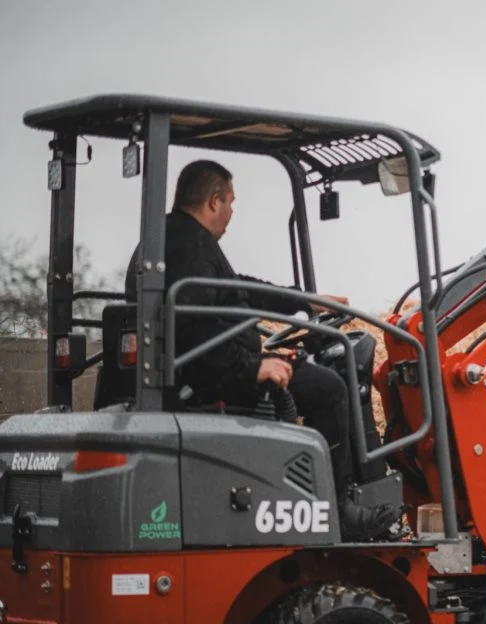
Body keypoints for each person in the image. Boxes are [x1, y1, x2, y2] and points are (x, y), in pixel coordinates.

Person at [124, 159, 401, 542]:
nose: (232, 213)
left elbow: (236, 290)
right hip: (210, 377)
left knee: (307, 375)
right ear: (214, 201)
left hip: (197, 369)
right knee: (331, 389)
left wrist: (303, 300)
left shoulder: (167, 240)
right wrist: (251, 367)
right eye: (232, 202)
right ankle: (336, 512)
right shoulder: (191, 247)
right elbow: (196, 328)